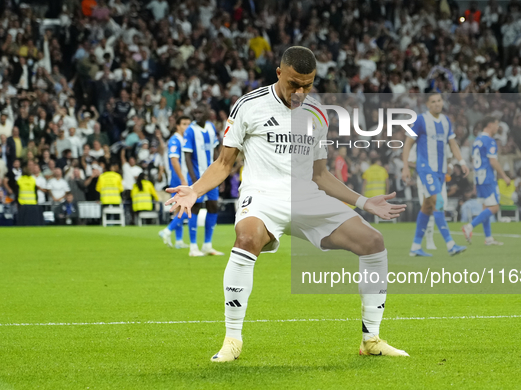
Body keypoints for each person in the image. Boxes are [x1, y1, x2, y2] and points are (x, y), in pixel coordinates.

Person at [166, 46, 408, 362]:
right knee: (247, 238)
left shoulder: (318, 113)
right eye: (294, 83)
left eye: (308, 84)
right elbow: (225, 163)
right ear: (279, 73)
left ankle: (371, 339)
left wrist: (363, 202)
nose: (300, 91)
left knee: (373, 242)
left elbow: (321, 175)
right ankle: (232, 340)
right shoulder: (247, 106)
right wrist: (195, 190)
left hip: (308, 197)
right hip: (263, 198)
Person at [401, 93, 468, 257]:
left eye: (439, 100)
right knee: (438, 202)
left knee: (427, 207)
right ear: (427, 105)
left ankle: (415, 246)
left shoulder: (446, 121)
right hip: (426, 168)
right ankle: (450, 244)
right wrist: (405, 167)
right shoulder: (420, 120)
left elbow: (452, 144)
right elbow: (407, 144)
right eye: (433, 101)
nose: (437, 104)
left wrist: (462, 161)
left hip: (440, 171)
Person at [462, 117, 511, 246]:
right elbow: (493, 161)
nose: (497, 127)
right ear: (489, 125)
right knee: (494, 207)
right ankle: (469, 226)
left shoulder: (477, 141)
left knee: (486, 207)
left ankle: (488, 238)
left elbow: (474, 160)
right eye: (496, 124)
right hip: (488, 177)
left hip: (478, 177)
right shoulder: (490, 141)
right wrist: (504, 176)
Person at [182, 103, 223, 257]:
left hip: (211, 176)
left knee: (213, 206)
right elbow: (187, 155)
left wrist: (220, 174)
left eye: (200, 112)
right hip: (197, 176)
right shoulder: (191, 130)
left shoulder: (211, 128)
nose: (197, 115)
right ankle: (193, 247)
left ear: (207, 113)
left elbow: (215, 152)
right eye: (195, 112)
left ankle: (207, 245)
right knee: (195, 208)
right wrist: (193, 179)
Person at [159, 115, 191, 249]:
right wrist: (183, 179)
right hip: (179, 179)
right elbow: (174, 160)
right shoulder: (175, 140)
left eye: (188, 124)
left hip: (181, 178)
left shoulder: (183, 140)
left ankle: (178, 241)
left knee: (180, 208)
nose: (187, 127)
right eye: (184, 124)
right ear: (177, 125)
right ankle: (166, 231)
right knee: (189, 208)